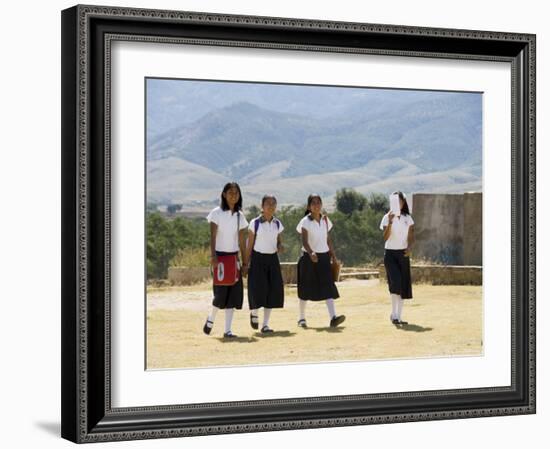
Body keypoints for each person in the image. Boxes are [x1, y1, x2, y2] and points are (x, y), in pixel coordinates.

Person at [202, 182, 249, 338]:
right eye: (230, 192)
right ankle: (211, 318)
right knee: (220, 293)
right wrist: (213, 256)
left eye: (236, 193)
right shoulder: (216, 213)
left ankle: (227, 330)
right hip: (220, 258)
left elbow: (242, 241)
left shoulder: (240, 216)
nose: (233, 195)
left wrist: (244, 263)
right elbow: (213, 236)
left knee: (233, 294)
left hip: (234, 258)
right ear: (224, 194)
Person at [295, 194, 345, 328]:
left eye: (318, 202)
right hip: (308, 257)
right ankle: (301, 318)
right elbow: (304, 241)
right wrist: (311, 252)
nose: (316, 205)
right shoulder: (305, 221)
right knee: (305, 288)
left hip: (323, 258)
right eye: (313, 203)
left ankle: (333, 317)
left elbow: (327, 239)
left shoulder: (325, 220)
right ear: (308, 206)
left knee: (328, 286)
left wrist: (333, 255)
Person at [245, 195, 285, 333]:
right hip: (257, 258)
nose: (271, 206)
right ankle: (254, 313)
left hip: (272, 259)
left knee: (272, 291)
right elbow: (249, 244)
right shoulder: (255, 223)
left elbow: (279, 241)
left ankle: (265, 325)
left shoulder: (277, 224)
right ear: (262, 206)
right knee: (257, 289)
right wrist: (245, 263)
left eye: (274, 203)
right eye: (268, 203)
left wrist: (280, 246)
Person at [379, 191, 415, 325]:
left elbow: (411, 236)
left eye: (400, 201)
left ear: (403, 202)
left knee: (403, 286)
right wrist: (389, 222)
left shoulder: (408, 218)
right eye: (395, 201)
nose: (397, 204)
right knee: (396, 283)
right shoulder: (386, 218)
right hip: (390, 254)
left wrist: (410, 247)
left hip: (403, 254)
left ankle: (398, 316)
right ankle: (394, 315)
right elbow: (385, 237)